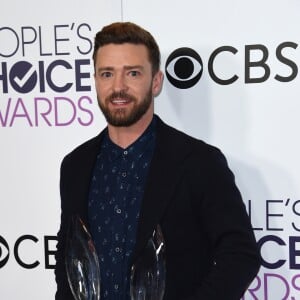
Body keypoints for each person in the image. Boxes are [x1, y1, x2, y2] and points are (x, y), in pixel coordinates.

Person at [55, 22, 260, 300]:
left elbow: (240, 254)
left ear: (156, 81)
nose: (118, 87)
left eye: (133, 73)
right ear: (95, 80)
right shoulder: (75, 165)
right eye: (107, 74)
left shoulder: (199, 162)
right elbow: (68, 251)